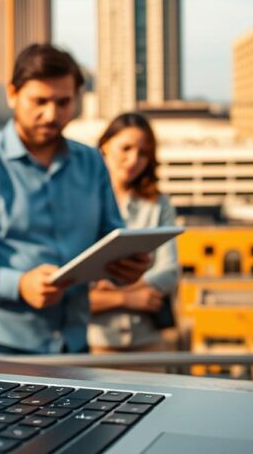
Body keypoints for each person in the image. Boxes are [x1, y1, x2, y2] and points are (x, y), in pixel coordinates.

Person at [0, 44, 152, 354]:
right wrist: (17, 284)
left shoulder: (92, 162)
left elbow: (110, 237)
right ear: (12, 95)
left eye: (63, 102)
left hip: (75, 345)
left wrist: (128, 264)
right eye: (40, 101)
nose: (52, 114)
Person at [88, 113, 180, 353]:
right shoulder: (80, 200)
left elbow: (169, 273)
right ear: (104, 145)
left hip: (147, 340)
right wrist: (129, 298)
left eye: (143, 153)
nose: (133, 160)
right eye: (126, 148)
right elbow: (74, 288)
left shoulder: (157, 204)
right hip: (92, 342)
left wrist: (111, 290)